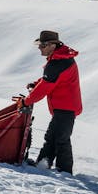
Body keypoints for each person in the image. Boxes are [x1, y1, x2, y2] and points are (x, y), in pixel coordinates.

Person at [20, 30, 82, 174]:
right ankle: (43, 164)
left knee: (61, 139)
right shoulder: (59, 58)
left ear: (51, 45)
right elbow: (50, 79)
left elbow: (45, 86)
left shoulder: (59, 62)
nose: (39, 48)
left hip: (66, 107)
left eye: (42, 45)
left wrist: (26, 102)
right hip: (64, 106)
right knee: (53, 137)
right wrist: (37, 83)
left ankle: (64, 171)